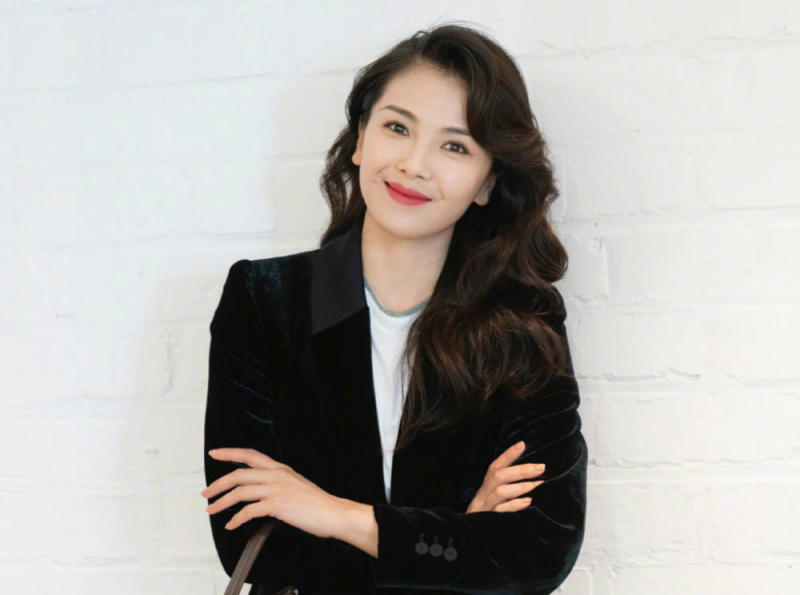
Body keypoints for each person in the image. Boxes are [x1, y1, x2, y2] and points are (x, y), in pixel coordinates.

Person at [201, 22, 587, 595]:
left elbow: (538, 550)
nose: (413, 164)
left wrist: (333, 513)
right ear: (361, 138)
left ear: (487, 182)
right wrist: (459, 534)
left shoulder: (523, 320)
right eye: (397, 127)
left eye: (455, 146)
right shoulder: (264, 299)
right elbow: (249, 540)